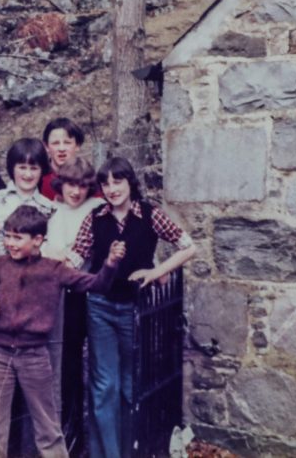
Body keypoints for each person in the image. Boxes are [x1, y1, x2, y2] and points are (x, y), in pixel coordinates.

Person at [68, 157, 196, 458]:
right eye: (106, 184)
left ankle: (130, 451)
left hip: (134, 311)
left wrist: (156, 271)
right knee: (103, 386)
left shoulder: (150, 214)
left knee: (129, 386)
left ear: (130, 182)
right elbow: (76, 257)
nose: (112, 189)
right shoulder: (96, 218)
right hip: (99, 307)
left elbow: (189, 246)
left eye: (118, 181)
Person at [0, 206, 122, 458]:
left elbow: (97, 284)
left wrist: (109, 264)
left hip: (34, 356)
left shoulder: (54, 270)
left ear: (38, 240)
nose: (10, 243)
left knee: (47, 425)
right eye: (7, 236)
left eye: (17, 238)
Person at [42, 158, 105, 456]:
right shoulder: (53, 212)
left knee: (98, 365)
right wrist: (58, 254)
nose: (76, 192)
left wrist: (64, 254)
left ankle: (100, 439)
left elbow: (89, 250)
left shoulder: (95, 210)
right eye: (70, 184)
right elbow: (43, 249)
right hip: (61, 294)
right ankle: (71, 436)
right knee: (66, 366)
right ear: (60, 184)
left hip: (91, 290)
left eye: (82, 185)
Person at [0, 138, 56, 276]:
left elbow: (51, 254)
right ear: (12, 168)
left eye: (34, 168)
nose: (28, 174)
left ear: (42, 170)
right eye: (22, 167)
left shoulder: (50, 208)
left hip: (32, 279)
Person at [40, 118, 85, 201]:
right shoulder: (39, 179)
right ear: (46, 146)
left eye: (67, 143)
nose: (61, 149)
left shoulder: (87, 178)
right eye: (55, 143)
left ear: (77, 145)